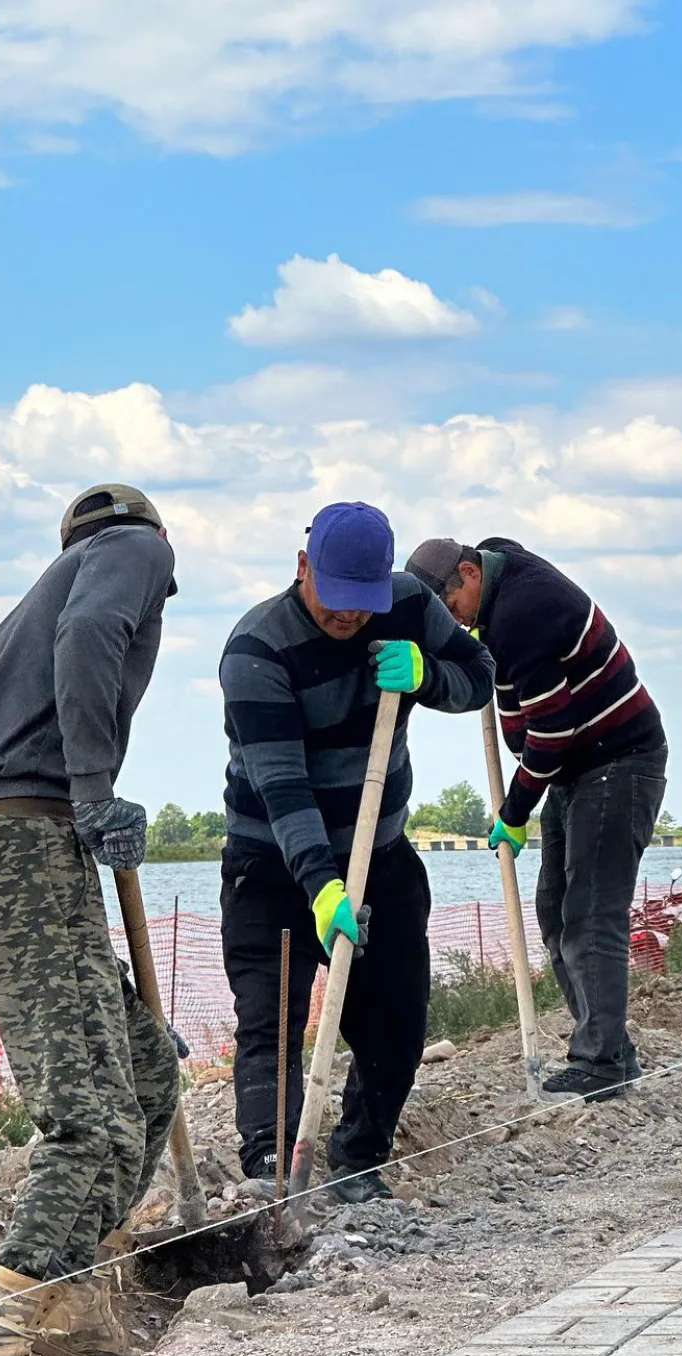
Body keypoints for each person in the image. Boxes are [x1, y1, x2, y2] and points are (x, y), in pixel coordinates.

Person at [0, 483, 181, 1356]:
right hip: (26, 849)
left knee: (147, 1074)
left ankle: (68, 1303)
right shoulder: (132, 553)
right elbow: (92, 638)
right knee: (91, 1118)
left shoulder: (39, 595)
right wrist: (93, 791)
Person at [219, 502, 494, 1201]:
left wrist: (428, 675)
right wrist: (322, 887)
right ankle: (272, 1179)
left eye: (362, 603)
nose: (350, 617)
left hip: (383, 855)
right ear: (304, 568)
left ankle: (358, 1163)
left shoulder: (406, 605)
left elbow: (480, 677)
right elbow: (285, 790)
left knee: (395, 1027)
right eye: (336, 601)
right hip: (275, 869)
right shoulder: (256, 649)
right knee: (271, 1028)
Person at [405, 536, 667, 1102]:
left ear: (470, 574)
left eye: (451, 609)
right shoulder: (500, 581)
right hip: (576, 767)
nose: (456, 623)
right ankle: (610, 1047)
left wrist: (515, 809)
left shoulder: (524, 611)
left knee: (591, 912)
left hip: (618, 761)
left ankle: (599, 1061)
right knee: (555, 907)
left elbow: (552, 733)